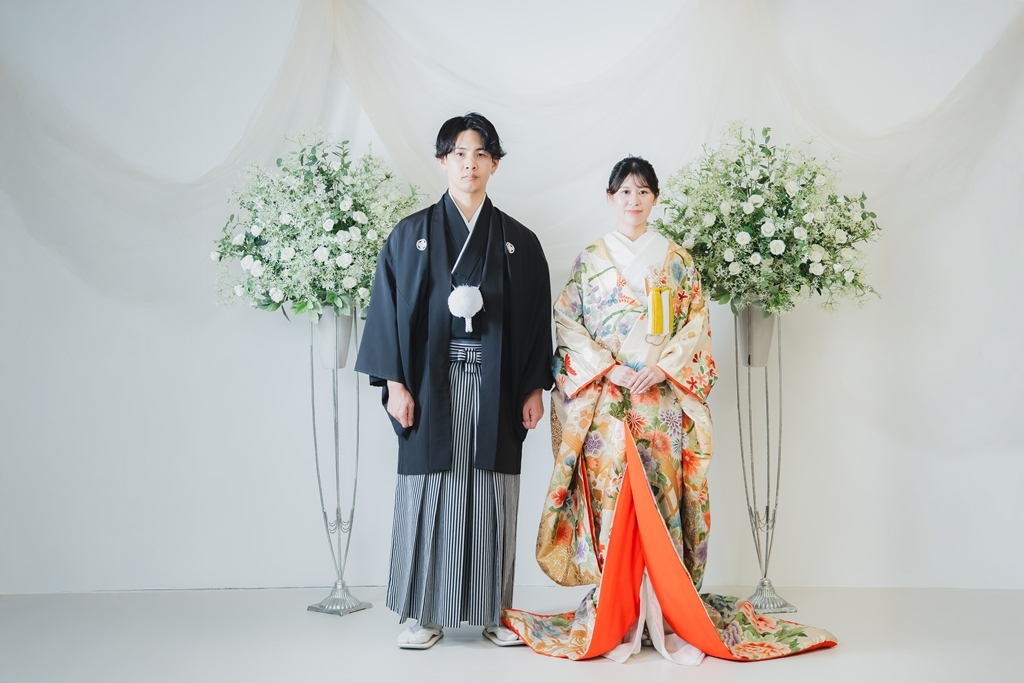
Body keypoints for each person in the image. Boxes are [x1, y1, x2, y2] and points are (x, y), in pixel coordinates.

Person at [502, 157, 836, 663]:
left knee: (661, 498)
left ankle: (664, 609)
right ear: (610, 198)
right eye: (624, 191)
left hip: (661, 402)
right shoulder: (590, 259)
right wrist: (608, 368)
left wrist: (663, 369)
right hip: (608, 401)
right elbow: (567, 322)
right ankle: (617, 611)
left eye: (642, 191)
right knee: (613, 499)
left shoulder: (677, 259)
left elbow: (696, 324)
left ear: (654, 198)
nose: (633, 200)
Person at [355, 113, 552, 650]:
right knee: (429, 492)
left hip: (496, 384)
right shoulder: (411, 235)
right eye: (460, 153)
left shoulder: (517, 240)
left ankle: (494, 612)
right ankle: (424, 614)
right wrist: (395, 384)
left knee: (492, 494)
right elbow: (387, 311)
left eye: (481, 154)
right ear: (443, 161)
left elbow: (535, 317)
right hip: (428, 384)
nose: (470, 164)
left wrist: (533, 387)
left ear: (494, 164)